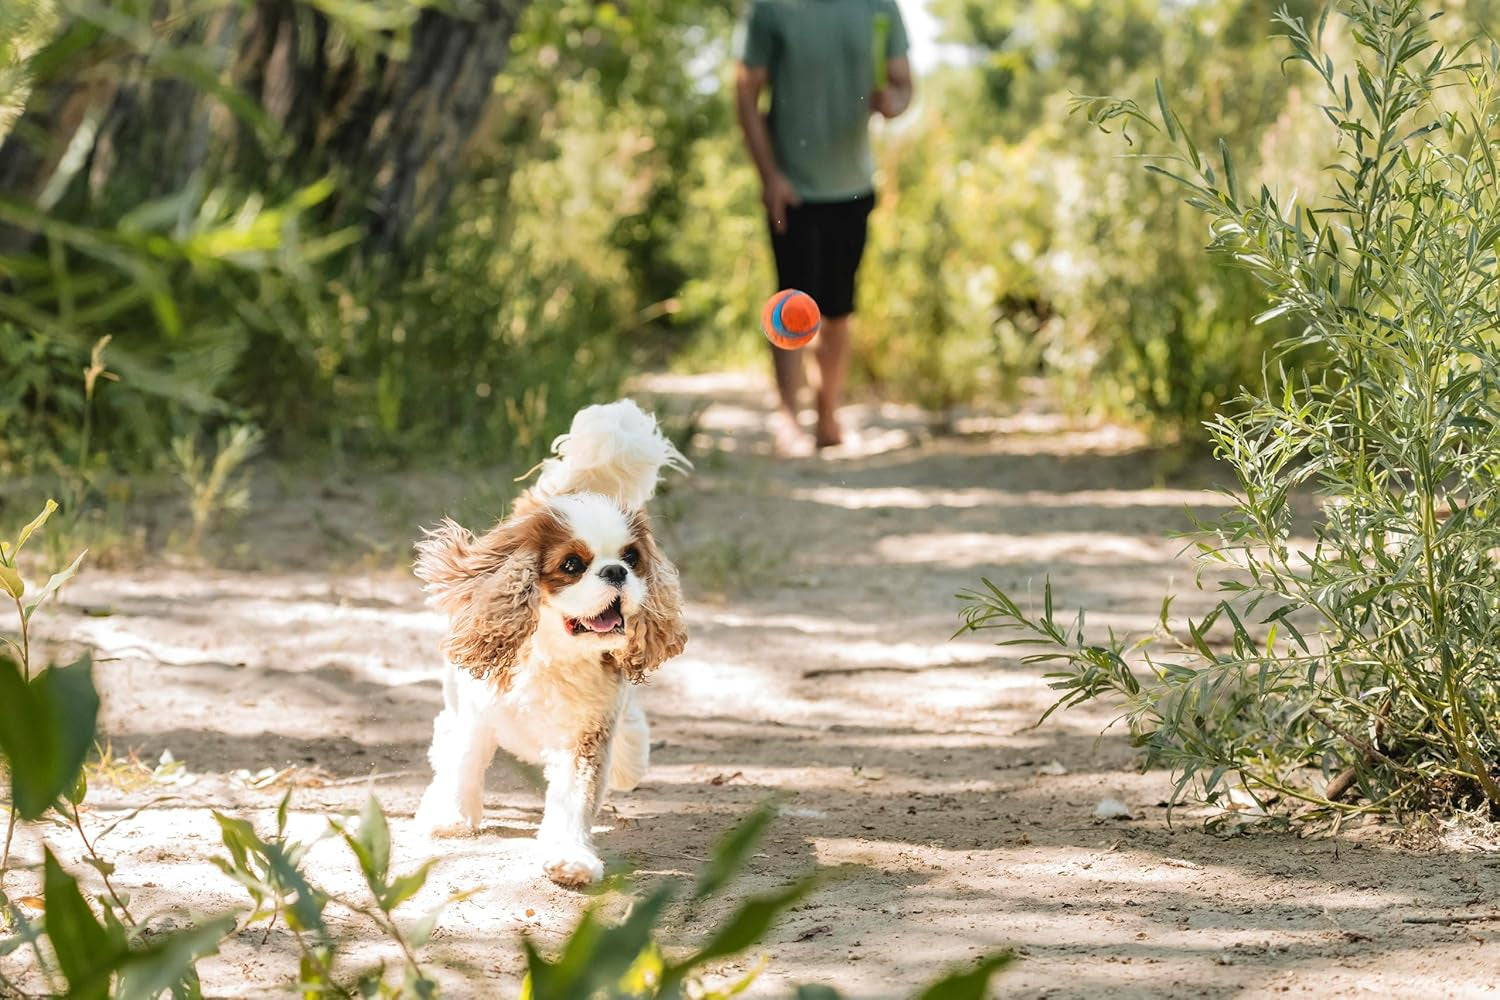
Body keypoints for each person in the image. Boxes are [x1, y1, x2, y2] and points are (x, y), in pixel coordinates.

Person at [733, 0, 913, 456]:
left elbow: (904, 85)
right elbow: (745, 93)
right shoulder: (771, 9)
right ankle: (788, 422)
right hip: (791, 188)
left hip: (853, 186)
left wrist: (894, 102)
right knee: (792, 303)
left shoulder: (878, 7)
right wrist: (769, 176)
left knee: (837, 309)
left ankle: (827, 417)